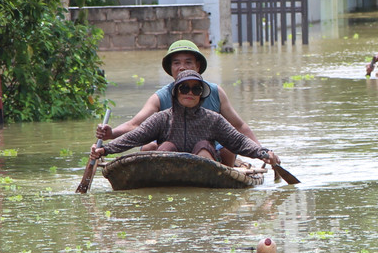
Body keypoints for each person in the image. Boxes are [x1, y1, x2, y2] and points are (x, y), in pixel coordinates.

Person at [96, 39, 260, 166]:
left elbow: (239, 131)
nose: (182, 67)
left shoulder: (214, 107)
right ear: (175, 94)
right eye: (177, 63)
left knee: (221, 146)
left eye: (188, 62)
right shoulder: (161, 107)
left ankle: (221, 174)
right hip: (171, 150)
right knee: (150, 147)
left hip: (210, 152)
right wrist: (109, 140)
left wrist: (263, 152)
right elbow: (135, 128)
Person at [91, 72, 280, 167]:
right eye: (184, 88)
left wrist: (264, 153)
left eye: (195, 89)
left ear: (200, 95)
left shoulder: (213, 120)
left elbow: (239, 141)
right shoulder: (162, 119)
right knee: (165, 148)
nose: (190, 93)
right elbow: (134, 136)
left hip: (204, 166)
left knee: (204, 146)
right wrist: (105, 149)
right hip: (169, 167)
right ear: (175, 93)